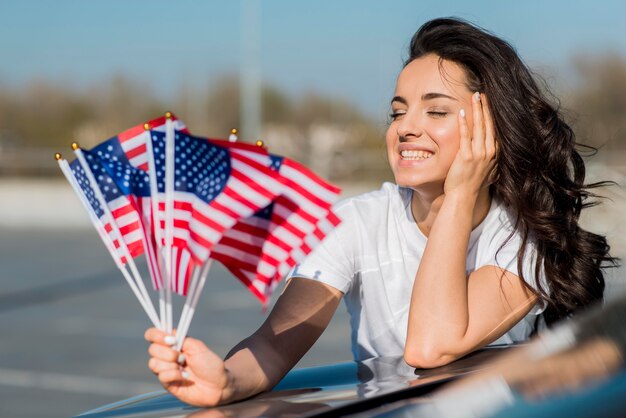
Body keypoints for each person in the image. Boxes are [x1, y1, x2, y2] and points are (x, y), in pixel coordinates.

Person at [145, 17, 615, 407]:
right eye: (397, 112)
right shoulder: (355, 222)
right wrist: (225, 382)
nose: (406, 128)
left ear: (490, 130)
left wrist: (459, 196)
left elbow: (430, 347)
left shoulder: (524, 236)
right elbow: (273, 342)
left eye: (436, 112)